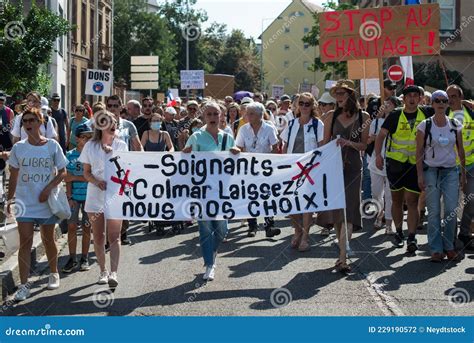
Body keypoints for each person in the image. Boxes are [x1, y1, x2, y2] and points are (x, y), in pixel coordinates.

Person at [6, 107, 68, 301]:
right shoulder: (18, 148)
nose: (28, 124)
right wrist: (10, 199)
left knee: (48, 239)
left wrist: (48, 188)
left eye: (32, 120)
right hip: (25, 201)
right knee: (25, 242)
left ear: (41, 122)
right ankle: (24, 286)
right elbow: (13, 177)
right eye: (25, 121)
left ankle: (53, 272)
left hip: (46, 201)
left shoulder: (52, 146)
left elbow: (62, 172)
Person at [183, 102, 240, 281]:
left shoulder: (227, 137)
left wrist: (237, 152)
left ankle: (212, 254)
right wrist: (185, 154)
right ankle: (209, 264)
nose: (213, 117)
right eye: (209, 114)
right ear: (203, 117)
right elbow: (188, 162)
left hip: (222, 191)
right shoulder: (196, 136)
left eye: (216, 114)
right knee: (206, 228)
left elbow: (234, 163)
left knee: (222, 229)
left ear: (221, 115)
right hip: (202, 191)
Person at [320, 80, 369, 271]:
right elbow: (325, 142)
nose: (339, 97)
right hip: (334, 165)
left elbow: (364, 145)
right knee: (338, 211)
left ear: (350, 94)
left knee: (349, 209)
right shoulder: (331, 116)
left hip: (353, 166)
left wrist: (348, 143)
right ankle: (342, 250)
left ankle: (343, 256)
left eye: (342, 93)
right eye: (336, 94)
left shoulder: (363, 116)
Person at [375, 85, 429, 254]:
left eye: (415, 96)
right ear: (404, 99)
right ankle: (398, 233)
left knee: (412, 201)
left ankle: (412, 237)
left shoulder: (426, 114)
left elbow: (446, 108)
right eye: (409, 96)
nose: (412, 99)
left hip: (415, 164)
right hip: (395, 164)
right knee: (397, 201)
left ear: (420, 98)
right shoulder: (395, 115)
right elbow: (381, 135)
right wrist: (378, 155)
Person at [80, 110, 128, 288]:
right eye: (108, 121)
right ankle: (103, 271)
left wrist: (112, 154)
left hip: (115, 195)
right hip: (95, 196)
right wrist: (96, 181)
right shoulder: (90, 146)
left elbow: (127, 170)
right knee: (98, 237)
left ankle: (114, 272)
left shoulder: (121, 145)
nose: (113, 124)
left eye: (114, 121)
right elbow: (85, 172)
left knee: (114, 236)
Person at [415, 90, 465, 262]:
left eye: (444, 101)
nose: (441, 103)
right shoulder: (424, 125)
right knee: (434, 211)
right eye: (437, 100)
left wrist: (463, 175)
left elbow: (461, 151)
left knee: (451, 210)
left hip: (451, 171)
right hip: (431, 172)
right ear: (432, 104)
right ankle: (436, 249)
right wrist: (420, 174)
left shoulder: (455, 124)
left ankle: (449, 246)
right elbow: (419, 152)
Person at [281, 92, 325, 252]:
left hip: (309, 169)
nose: (304, 107)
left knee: (306, 203)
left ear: (312, 106)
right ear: (297, 105)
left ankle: (305, 236)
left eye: (308, 104)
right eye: (302, 103)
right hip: (292, 168)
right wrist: (283, 164)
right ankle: (297, 230)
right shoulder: (291, 124)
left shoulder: (317, 124)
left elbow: (321, 147)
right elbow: (285, 145)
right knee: (292, 204)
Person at [235, 102, 281, 238]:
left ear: (260, 115)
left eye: (250, 113)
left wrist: (272, 164)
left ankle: (269, 226)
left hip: (266, 169)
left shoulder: (269, 128)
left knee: (267, 196)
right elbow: (239, 147)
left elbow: (276, 147)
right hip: (249, 169)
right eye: (247, 113)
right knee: (250, 197)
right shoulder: (243, 129)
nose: (247, 116)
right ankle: (252, 226)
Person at [106, 95, 142, 245]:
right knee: (108, 203)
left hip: (124, 170)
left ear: (121, 107)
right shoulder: (100, 125)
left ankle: (123, 232)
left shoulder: (129, 125)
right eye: (110, 105)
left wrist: (141, 164)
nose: (113, 108)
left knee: (123, 200)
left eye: (116, 105)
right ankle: (109, 238)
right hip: (107, 169)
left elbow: (137, 145)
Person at [62, 124, 93, 273]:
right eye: (83, 137)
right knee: (72, 226)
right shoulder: (70, 155)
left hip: (90, 197)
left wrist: (75, 177)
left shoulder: (93, 155)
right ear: (77, 138)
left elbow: (91, 178)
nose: (86, 140)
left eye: (89, 137)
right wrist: (69, 197)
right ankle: (72, 258)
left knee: (87, 227)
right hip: (74, 196)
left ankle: (84, 257)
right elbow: (67, 178)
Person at [446, 84, 474, 251]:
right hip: (449, 166)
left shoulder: (470, 113)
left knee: (471, 199)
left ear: (460, 97)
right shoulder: (442, 114)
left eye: (454, 96)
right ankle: (450, 237)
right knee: (451, 204)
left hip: (471, 164)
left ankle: (464, 234)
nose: (450, 100)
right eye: (448, 96)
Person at [367, 96, 399, 234]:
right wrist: (373, 138)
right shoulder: (374, 122)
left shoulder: (398, 121)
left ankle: (388, 222)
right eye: (384, 104)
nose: (386, 106)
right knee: (376, 192)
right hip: (376, 160)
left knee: (390, 194)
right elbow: (367, 140)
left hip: (392, 160)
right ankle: (379, 213)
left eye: (389, 104)